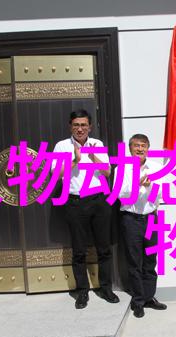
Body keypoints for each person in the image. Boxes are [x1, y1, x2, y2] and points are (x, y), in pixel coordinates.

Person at [53, 109, 119, 309]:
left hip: (98, 201)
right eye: (76, 125)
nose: (80, 129)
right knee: (79, 251)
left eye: (83, 125)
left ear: (89, 127)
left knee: (104, 248)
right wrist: (75, 159)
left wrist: (92, 157)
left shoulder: (97, 144)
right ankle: (82, 291)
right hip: (75, 202)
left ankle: (106, 288)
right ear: (70, 127)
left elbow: (107, 172)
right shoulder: (61, 146)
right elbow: (56, 175)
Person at [117, 134, 167, 318]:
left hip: (152, 218)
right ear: (130, 149)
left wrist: (151, 185)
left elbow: (160, 193)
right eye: (136, 146)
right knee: (134, 261)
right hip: (131, 219)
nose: (140, 149)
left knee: (151, 260)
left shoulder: (156, 167)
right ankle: (138, 301)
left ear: (148, 148)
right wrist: (137, 184)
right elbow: (119, 194)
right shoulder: (122, 168)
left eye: (143, 146)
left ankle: (149, 297)